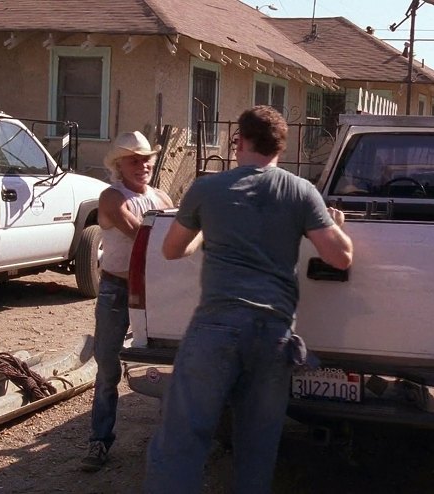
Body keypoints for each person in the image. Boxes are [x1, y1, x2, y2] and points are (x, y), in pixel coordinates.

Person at [145, 106, 353, 493]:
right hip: (274, 335)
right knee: (258, 446)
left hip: (215, 329)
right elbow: (340, 257)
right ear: (280, 146)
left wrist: (211, 228)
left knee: (183, 439)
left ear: (240, 140)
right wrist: (332, 224)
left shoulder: (207, 189)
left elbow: (173, 250)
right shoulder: (301, 192)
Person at [81, 131, 173, 472]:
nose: (143, 165)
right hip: (117, 290)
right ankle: (99, 440)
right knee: (107, 368)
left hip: (155, 292)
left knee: (164, 363)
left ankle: (167, 442)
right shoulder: (111, 197)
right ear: (119, 165)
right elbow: (143, 236)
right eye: (134, 160)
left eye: (146, 159)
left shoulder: (161, 197)